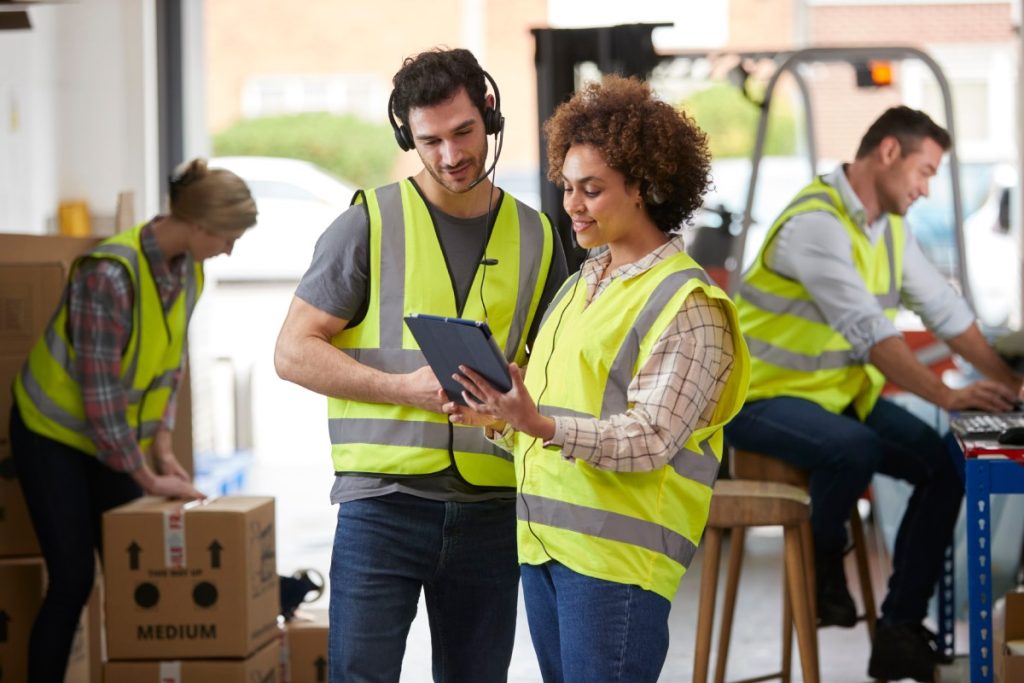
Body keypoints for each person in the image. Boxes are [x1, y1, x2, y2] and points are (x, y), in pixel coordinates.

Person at [443, 75, 750, 683]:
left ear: (644, 189)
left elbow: (652, 439)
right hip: (545, 548)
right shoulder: (583, 281)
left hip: (617, 565)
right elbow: (556, 411)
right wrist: (504, 417)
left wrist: (540, 421)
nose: (573, 205)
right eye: (567, 187)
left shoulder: (687, 303)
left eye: (593, 190)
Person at [273, 47, 566, 683]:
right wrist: (401, 388)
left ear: (489, 115)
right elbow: (292, 352)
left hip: (492, 507)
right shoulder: (366, 225)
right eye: (430, 141)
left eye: (463, 133)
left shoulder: (540, 236)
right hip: (383, 505)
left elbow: (555, 371)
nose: (451, 155)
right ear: (408, 136)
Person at [723, 106, 1022, 682]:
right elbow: (872, 333)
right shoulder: (816, 224)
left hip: (833, 399)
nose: (926, 188)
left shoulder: (888, 230)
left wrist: (1009, 384)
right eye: (924, 171)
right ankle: (823, 566)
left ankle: (899, 631)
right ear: (889, 152)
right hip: (758, 399)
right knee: (854, 449)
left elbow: (945, 310)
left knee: (944, 464)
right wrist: (947, 395)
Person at [10, 158, 257, 681]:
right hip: (53, 432)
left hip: (111, 436)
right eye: (227, 237)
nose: (229, 250)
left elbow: (169, 364)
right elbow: (98, 396)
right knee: (73, 578)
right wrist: (145, 475)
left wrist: (164, 447)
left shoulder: (189, 271)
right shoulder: (109, 275)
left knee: (132, 568)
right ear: (197, 225)